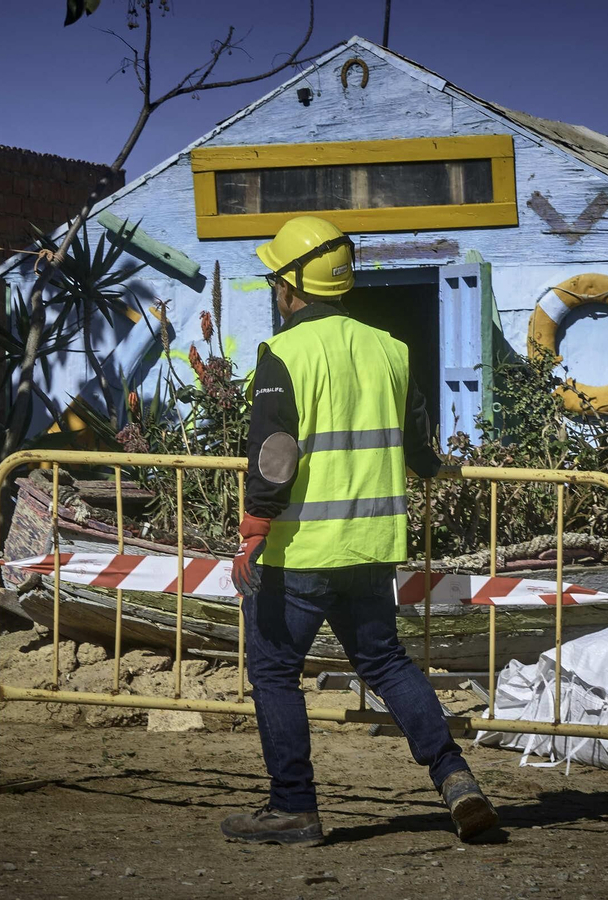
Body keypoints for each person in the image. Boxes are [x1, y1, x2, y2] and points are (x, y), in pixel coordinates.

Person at [220, 215, 500, 847]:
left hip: (300, 553)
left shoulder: (283, 354)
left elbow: (274, 452)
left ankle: (293, 807)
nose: (273, 287)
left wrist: (254, 526)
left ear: (292, 285)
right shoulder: (390, 349)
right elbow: (420, 450)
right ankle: (457, 781)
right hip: (372, 549)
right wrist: (442, 469)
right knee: (385, 661)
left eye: (275, 277)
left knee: (272, 672)